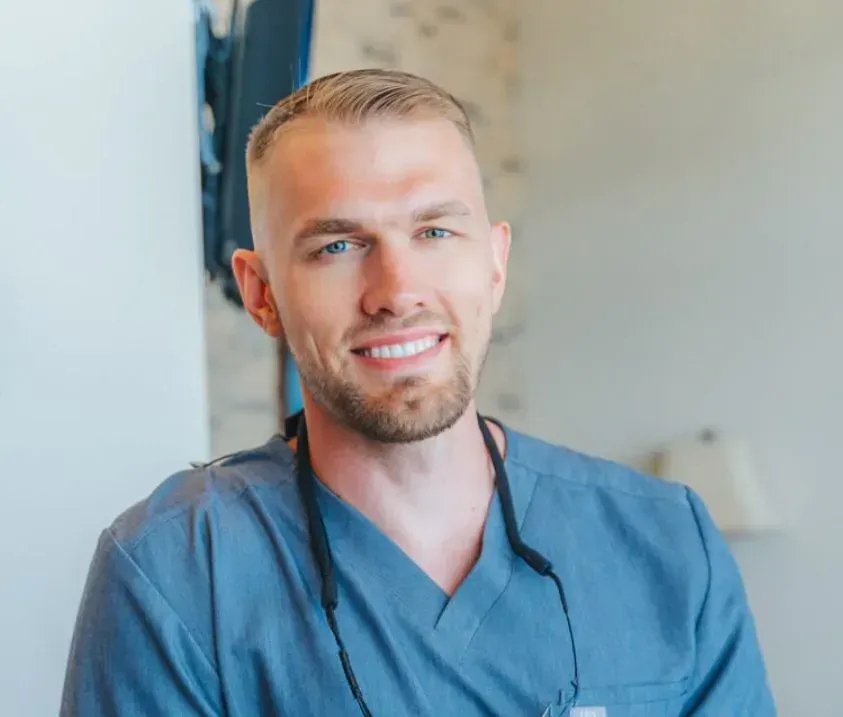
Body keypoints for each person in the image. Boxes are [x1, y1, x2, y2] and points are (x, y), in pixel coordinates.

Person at [61, 69, 775, 716]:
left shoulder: (667, 542)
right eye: (337, 246)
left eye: (434, 230)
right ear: (261, 293)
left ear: (494, 263)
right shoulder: (177, 572)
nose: (397, 292)